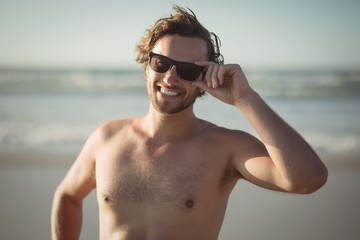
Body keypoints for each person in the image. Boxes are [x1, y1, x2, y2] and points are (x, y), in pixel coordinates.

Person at [51, 5, 328, 240]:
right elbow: (68, 196)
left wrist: (246, 98)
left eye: (187, 70)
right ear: (146, 66)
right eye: (161, 63)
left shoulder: (226, 149)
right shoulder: (107, 137)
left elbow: (307, 180)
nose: (170, 78)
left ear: (204, 80)